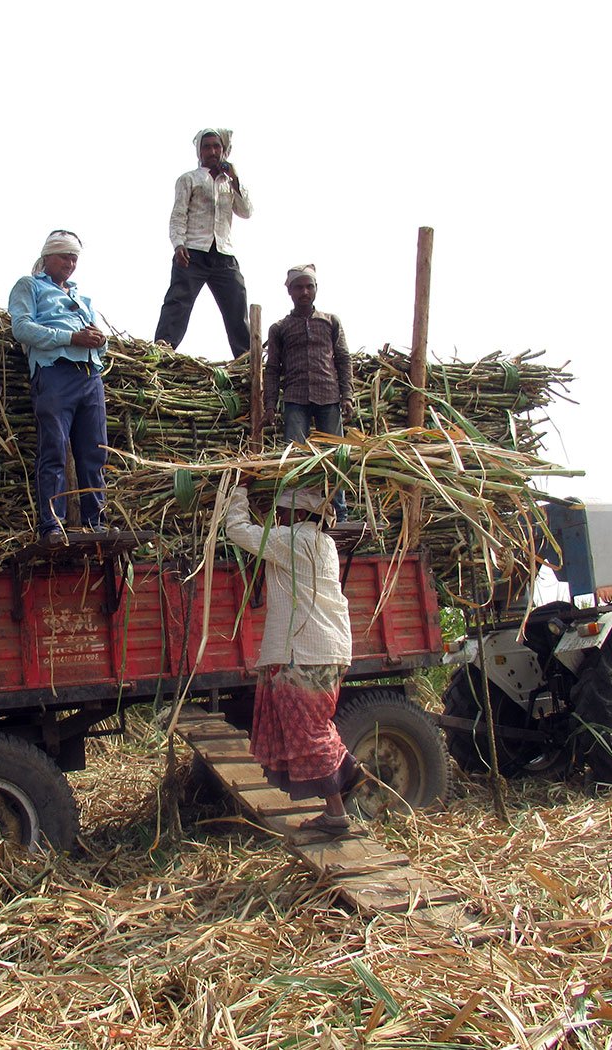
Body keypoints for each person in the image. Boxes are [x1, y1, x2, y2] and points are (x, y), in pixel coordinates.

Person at [223, 484, 363, 837]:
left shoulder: (295, 540)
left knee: (309, 733)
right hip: (323, 650)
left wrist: (238, 490)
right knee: (313, 726)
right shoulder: (323, 543)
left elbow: (237, 530)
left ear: (300, 515)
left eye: (283, 513)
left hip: (304, 652)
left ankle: (339, 807)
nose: (278, 519)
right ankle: (347, 777)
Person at [8, 230, 109, 540]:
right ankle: (52, 524)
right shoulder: (30, 286)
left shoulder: (80, 297)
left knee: (94, 452)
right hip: (54, 374)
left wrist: (99, 341)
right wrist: (70, 338)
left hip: (89, 375)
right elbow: (22, 328)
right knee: (53, 449)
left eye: (75, 257)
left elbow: (98, 345)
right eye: (65, 256)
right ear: (47, 257)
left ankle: (96, 522)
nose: (71, 262)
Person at [264, 264, 354, 521]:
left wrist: (347, 395)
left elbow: (343, 360)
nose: (304, 292)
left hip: (328, 396)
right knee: (295, 458)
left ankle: (340, 513)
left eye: (309, 286)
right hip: (295, 398)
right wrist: (270, 405)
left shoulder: (330, 322)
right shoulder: (280, 328)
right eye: (299, 287)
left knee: (336, 457)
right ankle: (298, 515)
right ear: (289, 291)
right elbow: (272, 369)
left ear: (316, 289)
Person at [154, 128, 253, 358]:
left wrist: (235, 179)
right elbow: (178, 214)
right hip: (193, 252)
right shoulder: (190, 179)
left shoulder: (229, 183)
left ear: (224, 150)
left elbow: (246, 211)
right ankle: (161, 352)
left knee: (237, 304)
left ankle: (246, 359)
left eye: (216, 146)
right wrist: (178, 244)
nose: (212, 151)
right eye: (207, 147)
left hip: (223, 252)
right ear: (199, 151)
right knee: (178, 303)